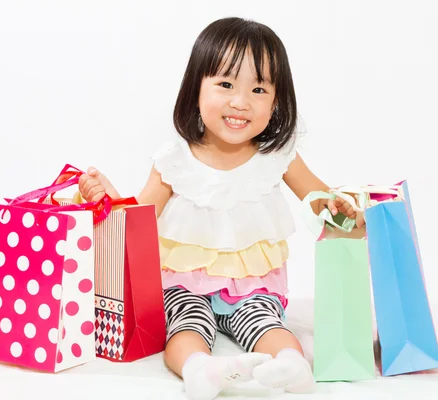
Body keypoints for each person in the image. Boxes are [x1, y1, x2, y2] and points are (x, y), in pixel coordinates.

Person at [78, 17, 362, 400]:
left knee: (266, 322)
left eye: (258, 89)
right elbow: (137, 221)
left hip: (253, 284)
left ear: (276, 101)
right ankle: (200, 370)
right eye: (225, 84)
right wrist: (108, 199)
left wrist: (346, 209)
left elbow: (322, 202)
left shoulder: (277, 157)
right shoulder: (175, 159)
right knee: (186, 327)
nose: (240, 102)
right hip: (184, 282)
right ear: (196, 87)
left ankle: (292, 365)